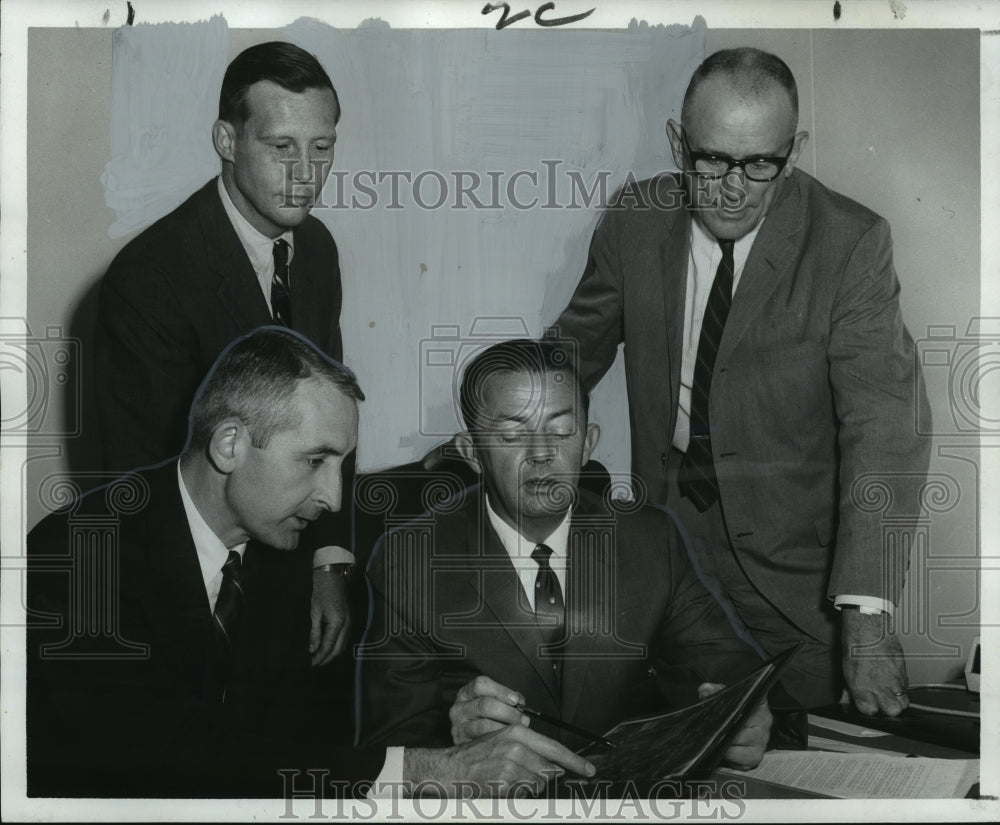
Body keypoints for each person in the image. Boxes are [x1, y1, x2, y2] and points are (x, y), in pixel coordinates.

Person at [26, 327, 596, 799]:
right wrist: (430, 772)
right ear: (229, 445)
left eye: (342, 466)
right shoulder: (80, 554)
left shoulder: (285, 559)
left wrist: (454, 726)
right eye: (315, 460)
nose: (334, 499)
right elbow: (157, 761)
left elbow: (300, 745)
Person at [550, 47, 931, 713]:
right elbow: (564, 361)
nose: (732, 186)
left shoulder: (850, 243)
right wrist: (502, 436)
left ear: (794, 149)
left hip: (796, 585)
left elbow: (886, 430)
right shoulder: (635, 221)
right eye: (712, 160)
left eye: (760, 164)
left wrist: (867, 613)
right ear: (677, 142)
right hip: (666, 562)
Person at [359, 339, 772, 778]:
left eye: (560, 431)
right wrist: (452, 752)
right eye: (512, 435)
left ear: (588, 442)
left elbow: (731, 671)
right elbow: (389, 754)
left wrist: (749, 716)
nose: (542, 454)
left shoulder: (651, 539)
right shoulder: (410, 561)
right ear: (472, 452)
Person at [94, 40, 353, 666]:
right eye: (281, 147)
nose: (304, 173)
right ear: (226, 140)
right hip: (198, 591)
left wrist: (329, 557)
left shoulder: (315, 249)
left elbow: (333, 413)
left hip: (292, 561)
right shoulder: (149, 276)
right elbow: (138, 479)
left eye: (321, 149)